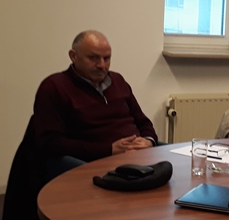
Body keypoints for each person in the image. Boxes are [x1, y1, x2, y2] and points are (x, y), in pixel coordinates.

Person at [34, 30, 157, 163]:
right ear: (73, 56)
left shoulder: (118, 81)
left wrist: (148, 141)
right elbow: (50, 142)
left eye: (107, 58)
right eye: (93, 58)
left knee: (173, 163)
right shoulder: (54, 86)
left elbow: (143, 122)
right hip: (94, 162)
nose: (101, 65)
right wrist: (109, 149)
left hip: (138, 156)